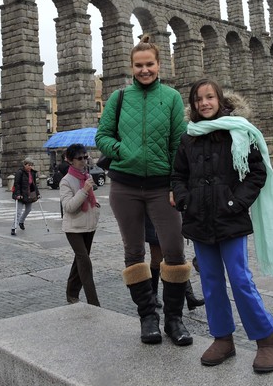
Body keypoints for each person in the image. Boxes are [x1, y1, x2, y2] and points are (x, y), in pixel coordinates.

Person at [171, 78, 273, 374]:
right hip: (199, 219)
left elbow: (256, 173)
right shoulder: (189, 138)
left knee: (240, 280)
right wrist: (185, 200)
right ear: (193, 104)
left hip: (230, 219)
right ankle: (223, 338)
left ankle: (266, 340)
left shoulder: (239, 131)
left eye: (209, 97)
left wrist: (235, 204)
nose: (204, 103)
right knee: (211, 283)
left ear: (220, 100)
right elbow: (178, 176)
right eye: (198, 99)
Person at [96, 34, 192, 347]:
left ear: (159, 65)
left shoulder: (172, 97)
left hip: (161, 186)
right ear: (132, 67)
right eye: (139, 65)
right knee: (134, 251)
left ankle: (174, 319)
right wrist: (123, 151)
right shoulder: (118, 98)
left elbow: (180, 143)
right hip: (124, 184)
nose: (144, 70)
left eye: (149, 64)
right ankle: (147, 316)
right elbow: (102, 136)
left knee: (174, 250)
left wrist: (178, 184)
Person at [60, 143, 101, 306]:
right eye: (79, 158)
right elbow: (68, 207)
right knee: (85, 262)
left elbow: (90, 198)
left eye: (86, 157)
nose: (84, 161)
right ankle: (94, 303)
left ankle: (71, 293)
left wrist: (95, 205)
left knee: (80, 260)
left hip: (89, 226)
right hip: (74, 228)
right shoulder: (66, 181)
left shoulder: (87, 176)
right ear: (70, 160)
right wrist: (84, 190)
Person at [145, 213, 204, 310]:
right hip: (154, 222)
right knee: (156, 260)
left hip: (170, 222)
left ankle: (190, 297)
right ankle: (153, 293)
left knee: (178, 259)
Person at [13, 158, 39, 230]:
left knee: (28, 209)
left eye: (31, 165)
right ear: (24, 165)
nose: (30, 167)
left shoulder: (32, 173)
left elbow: (33, 184)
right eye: (28, 165)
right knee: (18, 211)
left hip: (29, 194)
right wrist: (18, 194)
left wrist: (37, 194)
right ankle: (14, 227)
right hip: (21, 194)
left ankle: (21, 221)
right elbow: (17, 184)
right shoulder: (20, 172)